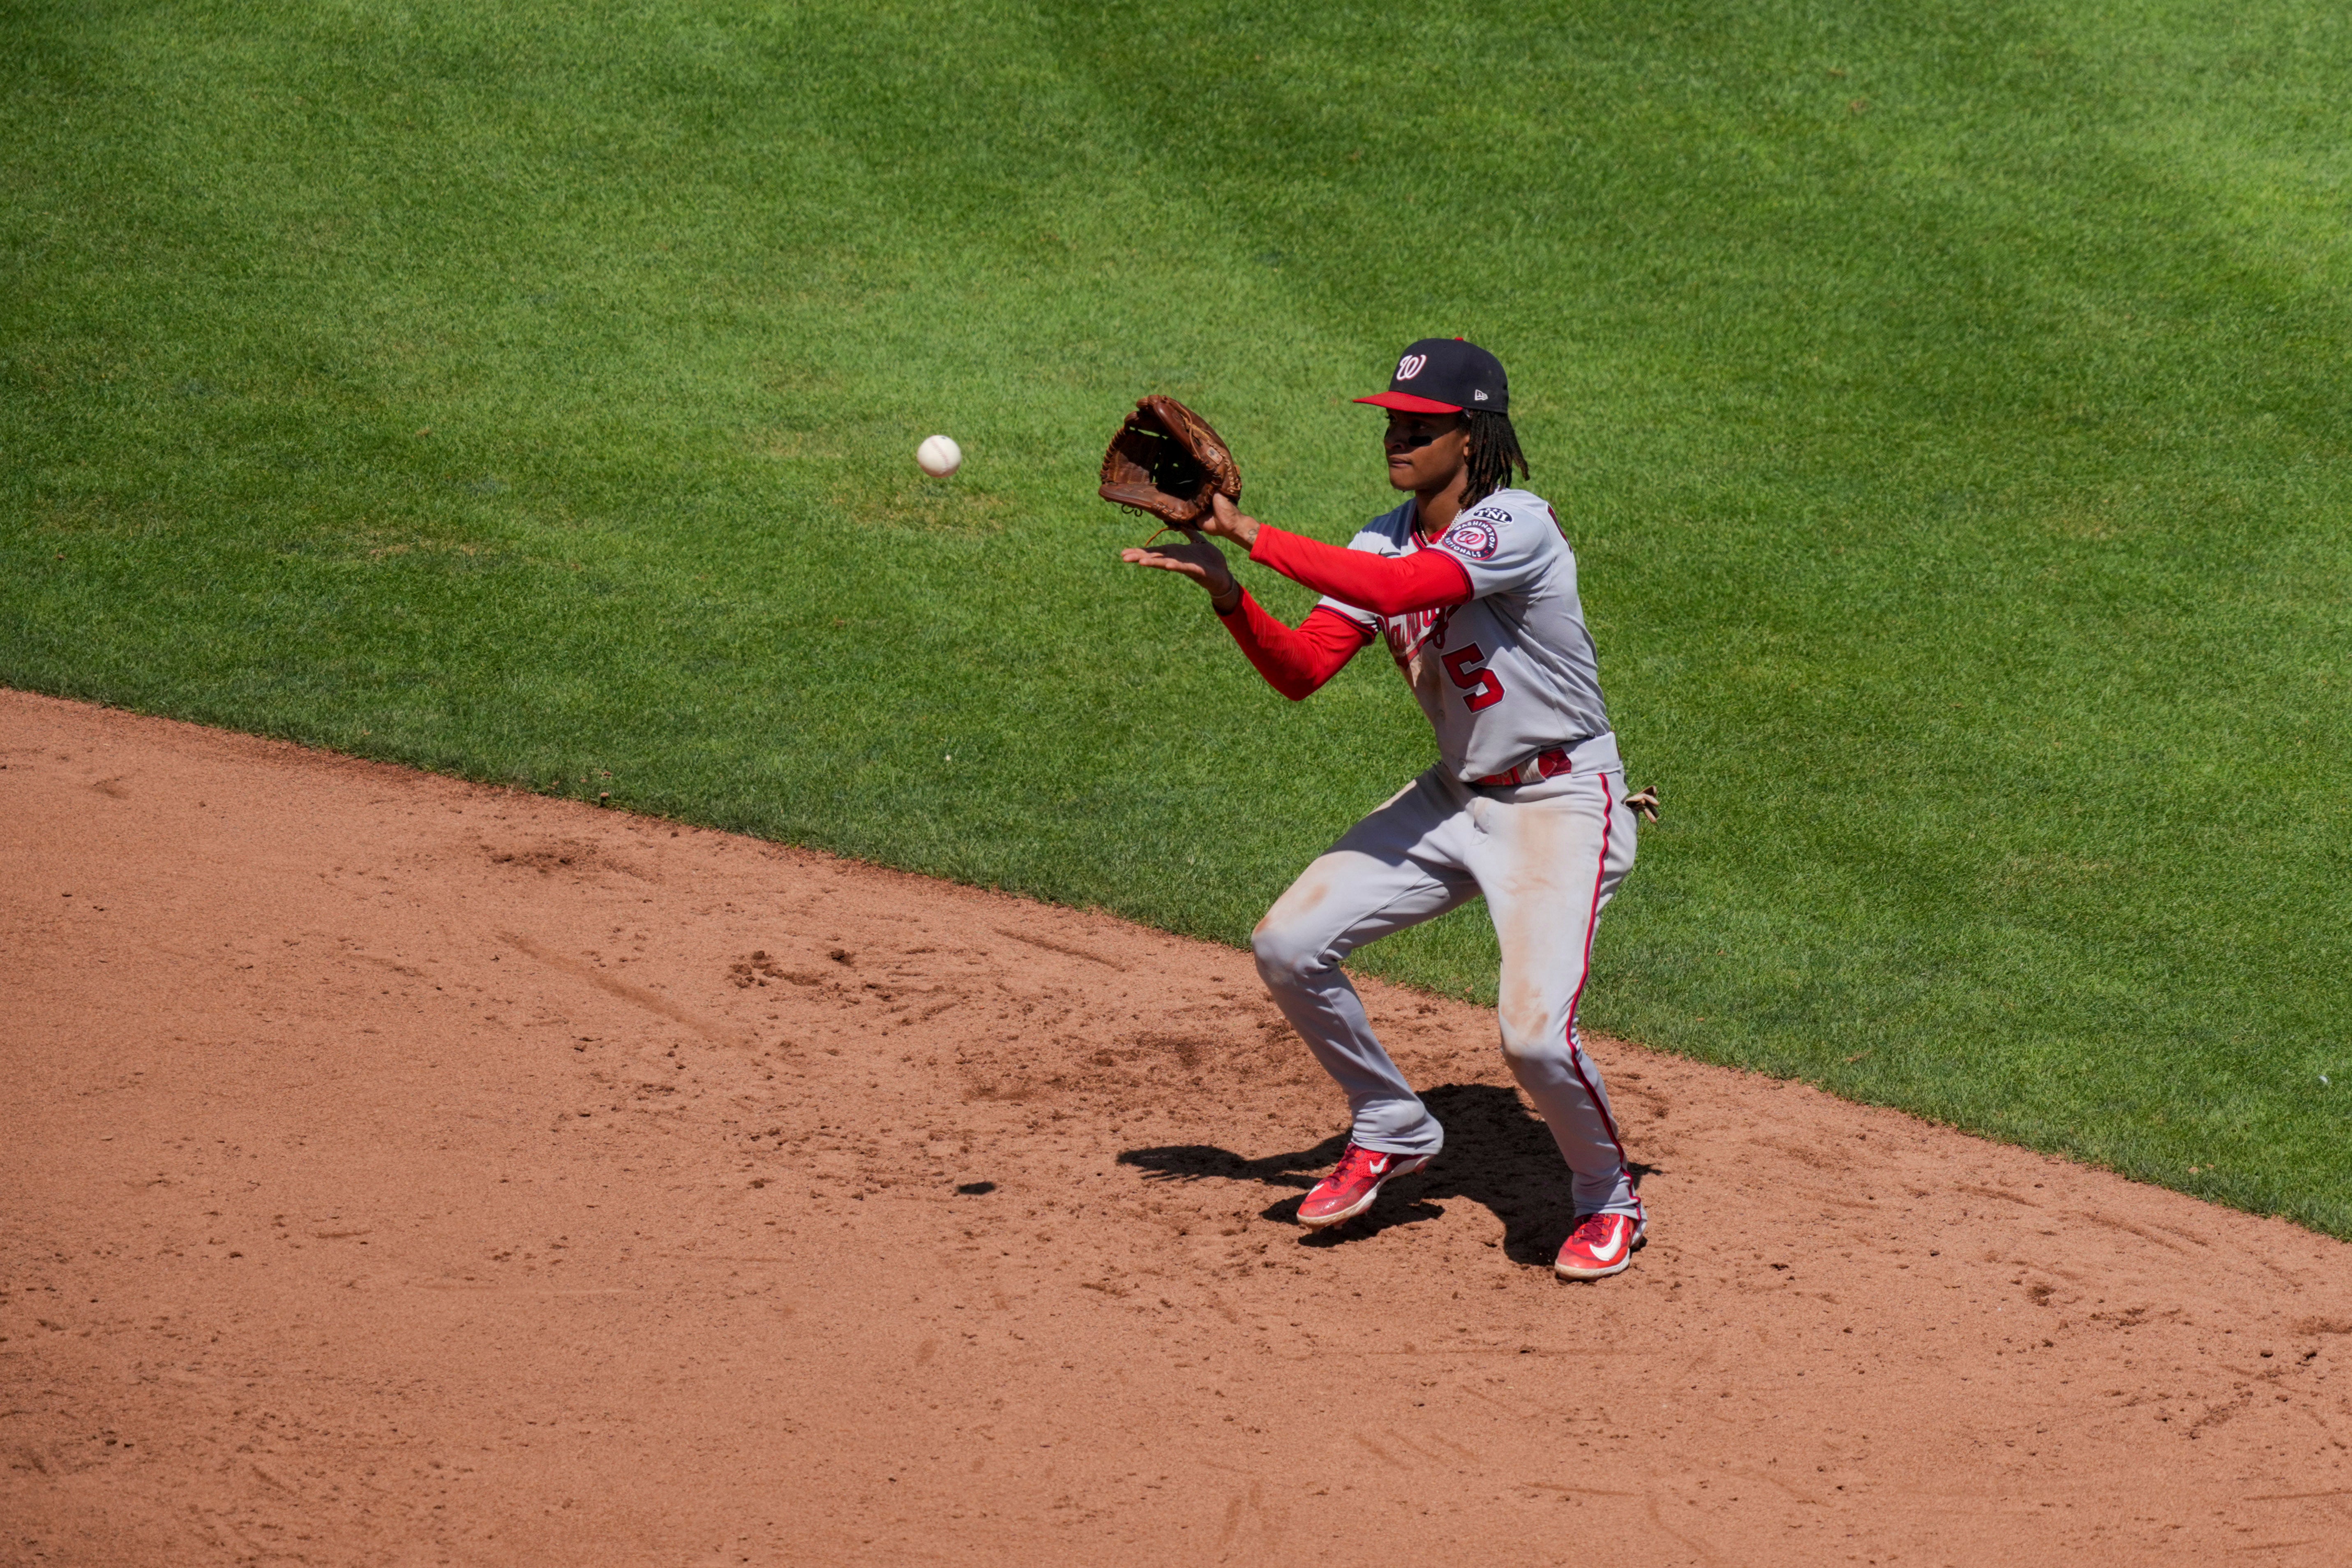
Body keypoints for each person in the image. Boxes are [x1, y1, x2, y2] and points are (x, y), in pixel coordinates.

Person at [1119, 337, 1649, 1279]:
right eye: (1392, 421)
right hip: (1457, 796)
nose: (1397, 437)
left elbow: (1408, 588)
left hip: (1561, 802)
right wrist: (1234, 599)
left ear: (1472, 435)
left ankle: (1608, 1197)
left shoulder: (1514, 523)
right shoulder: (1380, 534)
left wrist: (1250, 533)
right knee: (1287, 944)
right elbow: (1304, 670)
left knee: (1533, 1037)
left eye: (1420, 425)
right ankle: (1393, 1123)